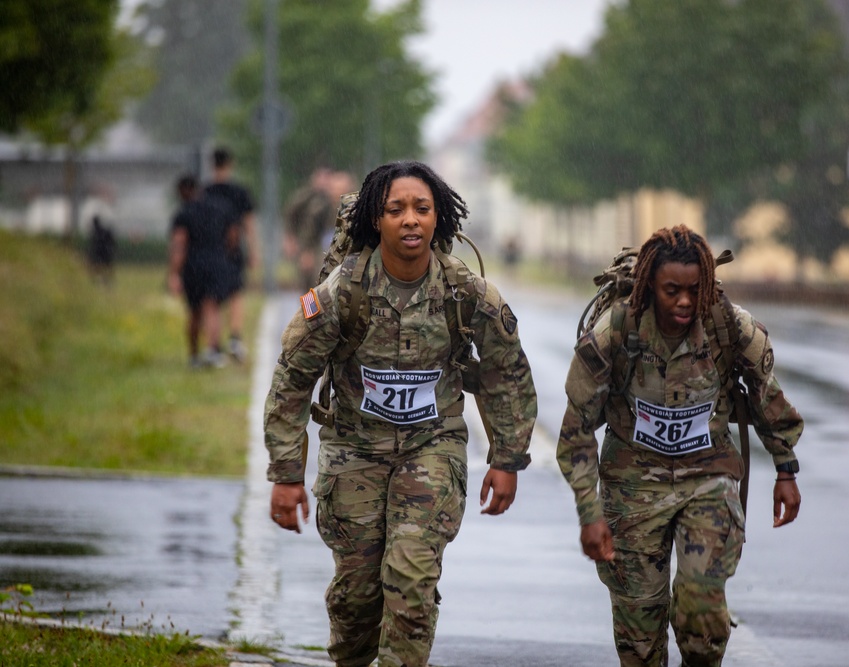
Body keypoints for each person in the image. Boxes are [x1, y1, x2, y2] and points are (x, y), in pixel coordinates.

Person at [263, 160, 537, 667]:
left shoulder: (466, 292)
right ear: (376, 221)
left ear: (439, 220)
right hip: (353, 451)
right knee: (357, 598)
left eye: (422, 209)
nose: (410, 219)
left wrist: (507, 458)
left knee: (411, 581)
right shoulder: (343, 292)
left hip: (432, 448)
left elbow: (507, 372)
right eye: (396, 210)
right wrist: (286, 473)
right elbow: (292, 379)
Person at [556, 225, 804, 667]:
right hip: (632, 490)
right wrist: (588, 513)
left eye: (694, 290)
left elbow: (768, 395)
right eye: (672, 290)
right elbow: (576, 431)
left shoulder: (728, 325)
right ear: (651, 286)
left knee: (701, 604)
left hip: (708, 482)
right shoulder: (616, 330)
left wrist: (786, 469)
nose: (685, 301)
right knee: (639, 633)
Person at [167, 174, 233, 369]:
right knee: (212, 307)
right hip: (217, 262)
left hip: (194, 265)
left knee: (195, 311)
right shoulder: (219, 208)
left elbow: (179, 244)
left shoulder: (184, 212)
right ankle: (213, 351)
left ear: (183, 191)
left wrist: (174, 274)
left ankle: (194, 355)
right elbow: (232, 236)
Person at [204, 146, 258, 364]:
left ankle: (213, 346)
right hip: (233, 251)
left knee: (213, 299)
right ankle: (235, 338)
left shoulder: (205, 191)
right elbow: (249, 225)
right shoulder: (239, 192)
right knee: (236, 293)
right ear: (230, 164)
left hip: (210, 250)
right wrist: (254, 251)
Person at [283, 168, 356, 290]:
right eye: (334, 188)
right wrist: (306, 252)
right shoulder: (319, 209)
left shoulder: (356, 210)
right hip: (322, 255)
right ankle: (308, 308)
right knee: (313, 292)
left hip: (347, 259)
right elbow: (310, 231)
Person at [87, 214, 116, 285]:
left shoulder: (95, 233)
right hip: (105, 253)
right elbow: (112, 241)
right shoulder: (103, 231)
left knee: (98, 268)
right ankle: (105, 281)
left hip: (100, 253)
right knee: (105, 268)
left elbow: (93, 244)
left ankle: (101, 281)